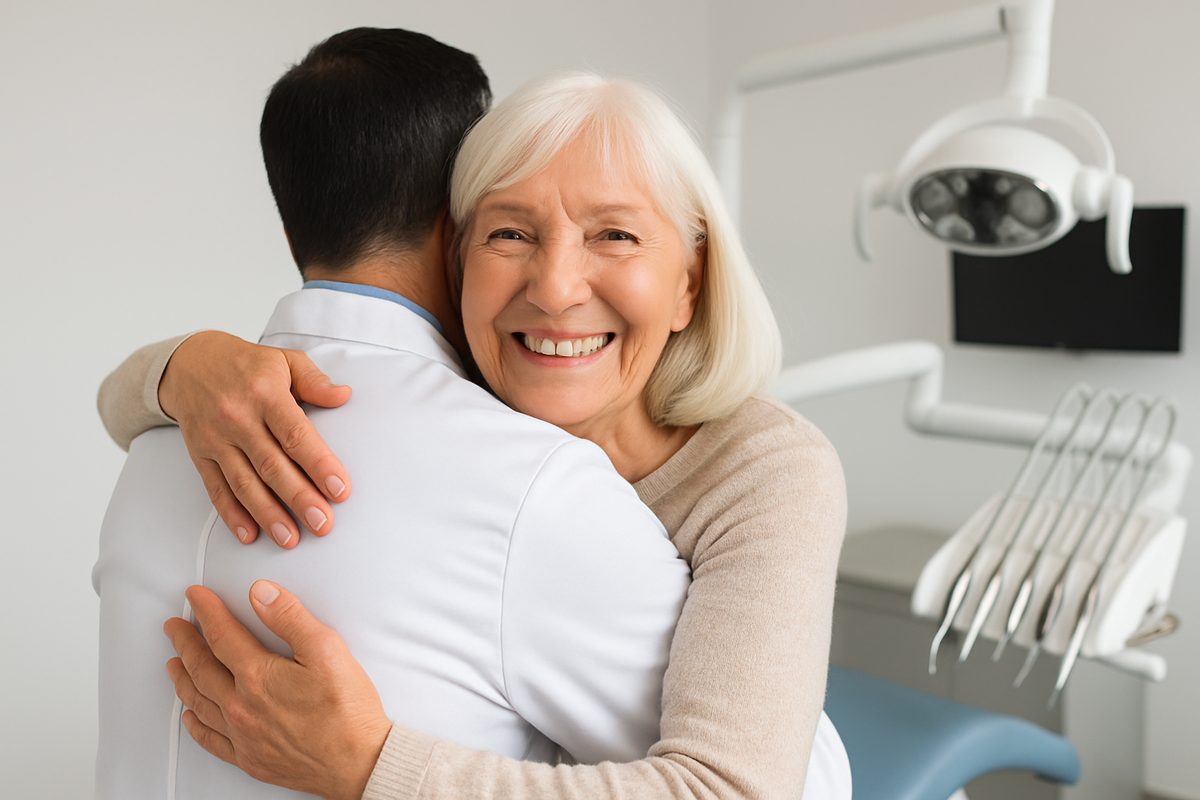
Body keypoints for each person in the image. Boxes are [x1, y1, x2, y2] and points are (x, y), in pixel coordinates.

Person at [99, 71, 852, 800]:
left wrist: (371, 767)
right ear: (453, 259)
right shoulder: (470, 397)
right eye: (510, 233)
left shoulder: (764, 469)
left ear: (690, 282)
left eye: (615, 235)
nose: (555, 288)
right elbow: (122, 408)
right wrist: (179, 366)